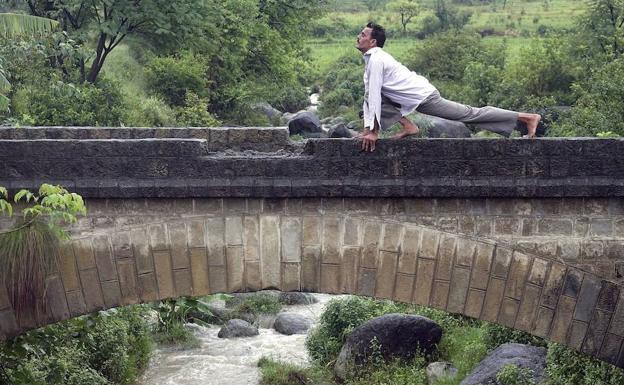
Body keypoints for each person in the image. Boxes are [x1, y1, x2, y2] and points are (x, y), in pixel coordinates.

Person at [356, 22, 542, 152]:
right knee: (370, 95)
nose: (359, 37)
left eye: (363, 35)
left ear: (373, 42)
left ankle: (527, 117)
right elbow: (371, 97)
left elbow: (373, 97)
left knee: (470, 114)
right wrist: (368, 131)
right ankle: (409, 127)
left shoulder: (377, 59)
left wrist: (373, 133)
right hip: (415, 97)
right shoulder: (373, 59)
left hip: (424, 97)